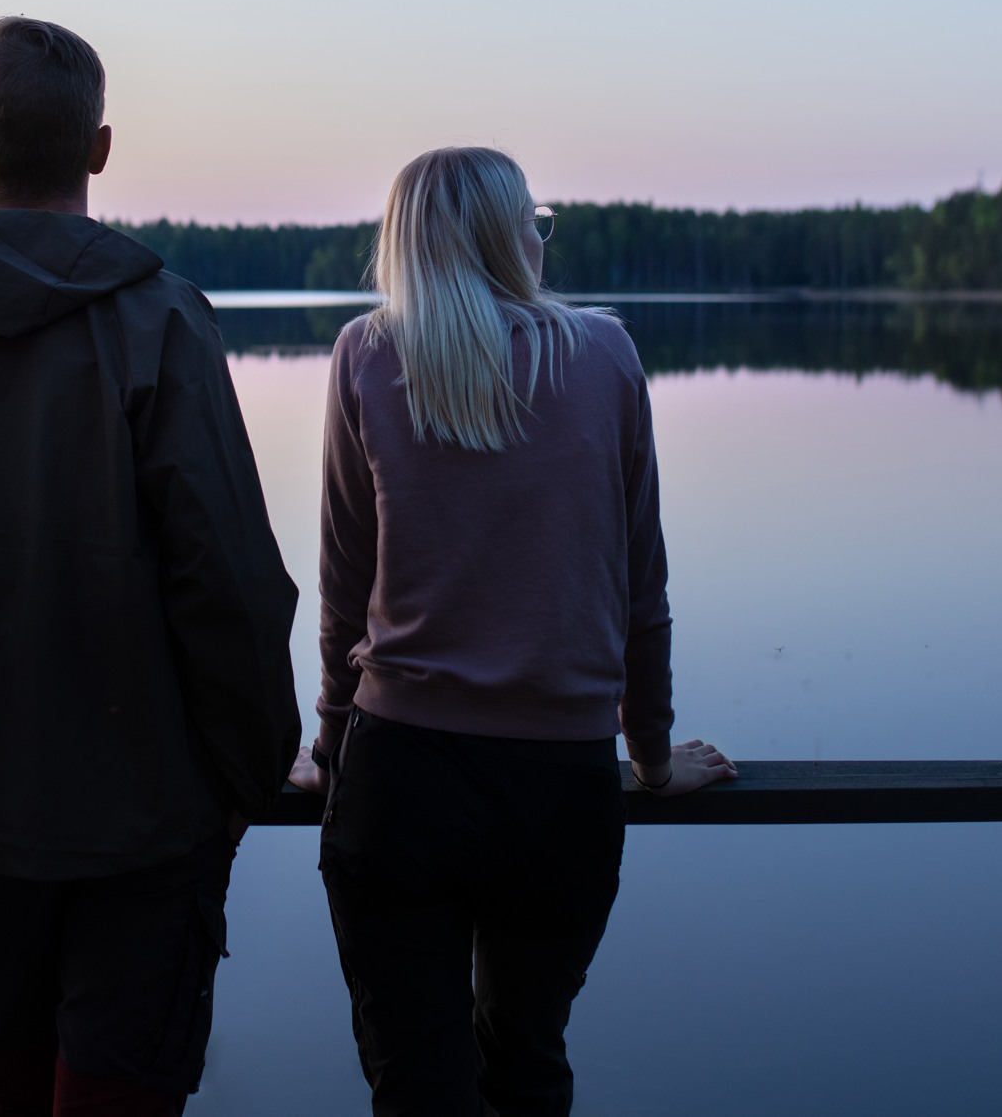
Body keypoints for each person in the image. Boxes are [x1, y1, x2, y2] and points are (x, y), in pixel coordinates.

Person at [0, 17, 301, 1117]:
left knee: (6, 1087)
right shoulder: (161, 320)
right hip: (148, 814)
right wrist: (256, 765)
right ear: (101, 148)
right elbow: (228, 578)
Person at [291, 145, 735, 1117]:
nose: (541, 235)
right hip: (559, 787)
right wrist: (650, 757)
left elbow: (342, 589)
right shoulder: (605, 351)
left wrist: (329, 749)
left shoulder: (367, 351)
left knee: (418, 1085)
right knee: (526, 1062)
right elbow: (640, 591)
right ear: (505, 234)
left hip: (398, 778)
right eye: (532, 218)